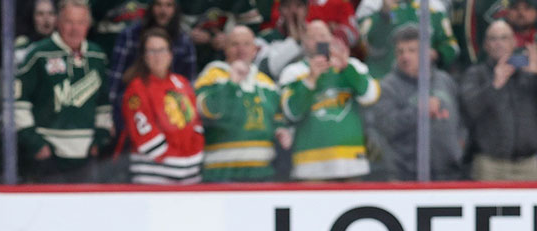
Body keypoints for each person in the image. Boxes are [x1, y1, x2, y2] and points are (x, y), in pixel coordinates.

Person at [14, 0, 113, 182]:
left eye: (81, 22)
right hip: (48, 153)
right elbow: (19, 104)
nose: (75, 29)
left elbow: (103, 103)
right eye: (69, 22)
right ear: (58, 22)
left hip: (86, 153)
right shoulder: (39, 55)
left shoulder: (97, 55)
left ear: (88, 25)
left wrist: (99, 140)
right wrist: (36, 144)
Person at [460, 19, 537, 181]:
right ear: (486, 45)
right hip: (489, 165)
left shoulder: (529, 72)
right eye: (493, 39)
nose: (498, 43)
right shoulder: (476, 74)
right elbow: (468, 110)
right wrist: (494, 85)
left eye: (504, 38)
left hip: (527, 164)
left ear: (514, 42)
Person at [277, 19, 379, 179]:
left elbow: (370, 96)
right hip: (310, 164)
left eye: (324, 35)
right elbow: (291, 113)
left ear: (332, 38)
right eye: (313, 36)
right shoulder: (294, 72)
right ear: (304, 42)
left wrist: (346, 69)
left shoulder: (352, 65)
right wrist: (310, 80)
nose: (319, 40)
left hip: (351, 160)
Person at [369, 23, 466, 180]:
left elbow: (462, 120)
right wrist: (418, 111)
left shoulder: (445, 80)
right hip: (406, 176)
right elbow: (385, 127)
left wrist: (459, 148)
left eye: (412, 51)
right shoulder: (388, 87)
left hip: (449, 173)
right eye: (400, 52)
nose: (405, 57)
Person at [195, 23, 286, 181]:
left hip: (261, 174)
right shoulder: (212, 74)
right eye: (234, 44)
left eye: (246, 44)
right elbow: (204, 110)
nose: (241, 49)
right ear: (225, 48)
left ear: (255, 49)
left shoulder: (267, 84)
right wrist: (231, 83)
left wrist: (281, 131)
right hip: (221, 174)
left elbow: (278, 118)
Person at [120, 27, 204, 182]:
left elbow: (195, 122)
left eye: (161, 50)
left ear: (170, 54)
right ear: (144, 56)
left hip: (190, 174)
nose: (157, 57)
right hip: (154, 175)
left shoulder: (182, 83)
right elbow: (144, 132)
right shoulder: (137, 88)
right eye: (151, 51)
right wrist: (175, 159)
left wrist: (193, 155)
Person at [108, 0, 196, 133]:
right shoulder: (130, 35)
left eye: (169, 5)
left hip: (172, 116)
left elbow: (189, 87)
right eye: (158, 5)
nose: (163, 11)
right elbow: (115, 81)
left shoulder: (184, 40)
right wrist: (110, 118)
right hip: (133, 112)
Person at [356, 0, 459, 81]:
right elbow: (361, 43)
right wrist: (383, 15)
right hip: (382, 81)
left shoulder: (434, 6)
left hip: (424, 84)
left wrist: (436, 54)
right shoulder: (372, 4)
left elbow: (451, 46)